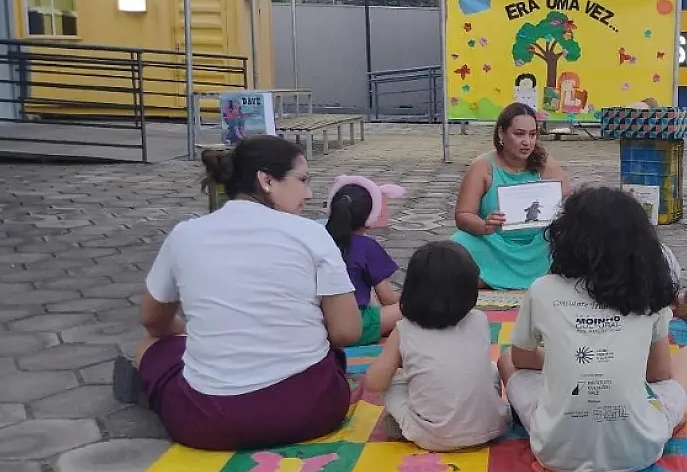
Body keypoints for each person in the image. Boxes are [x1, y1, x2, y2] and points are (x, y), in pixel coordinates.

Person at [115, 135, 363, 451]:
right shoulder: (311, 233)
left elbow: (153, 321)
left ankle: (157, 391)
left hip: (208, 422)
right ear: (266, 180)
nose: (309, 193)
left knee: (149, 346)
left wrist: (191, 335)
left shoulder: (185, 235)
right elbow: (346, 331)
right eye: (302, 180)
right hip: (312, 410)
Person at [498, 186, 687, 472]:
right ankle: (668, 420)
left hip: (554, 451)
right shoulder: (649, 292)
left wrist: (566, 360)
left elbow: (521, 360)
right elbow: (658, 373)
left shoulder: (542, 289)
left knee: (506, 358)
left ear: (564, 238)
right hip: (641, 448)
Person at [363, 241, 511, 451]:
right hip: (492, 426)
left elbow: (374, 383)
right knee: (490, 368)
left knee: (391, 383)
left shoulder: (405, 329)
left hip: (432, 437)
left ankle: (404, 424)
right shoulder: (479, 319)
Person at [451, 102, 569, 290]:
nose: (527, 142)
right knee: (458, 243)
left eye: (532, 134)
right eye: (519, 134)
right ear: (501, 134)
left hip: (538, 245)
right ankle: (517, 278)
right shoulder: (483, 167)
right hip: (494, 244)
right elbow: (463, 215)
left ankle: (493, 280)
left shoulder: (546, 165)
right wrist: (484, 226)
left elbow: (569, 206)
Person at [325, 175, 407, 346]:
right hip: (356, 326)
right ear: (370, 218)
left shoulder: (320, 239)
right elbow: (388, 298)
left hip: (323, 324)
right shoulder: (367, 246)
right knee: (413, 306)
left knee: (367, 294)